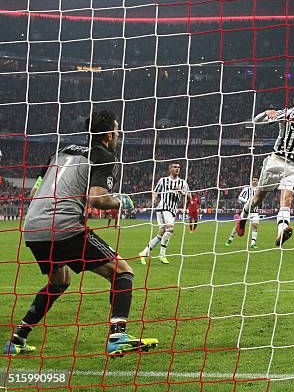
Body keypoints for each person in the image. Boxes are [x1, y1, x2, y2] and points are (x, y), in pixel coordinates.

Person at [4, 110, 158, 357]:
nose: (117, 134)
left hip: (32, 226)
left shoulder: (60, 151)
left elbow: (34, 192)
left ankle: (17, 339)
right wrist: (121, 202)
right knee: (122, 272)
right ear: (109, 134)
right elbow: (97, 198)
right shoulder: (103, 155)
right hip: (63, 226)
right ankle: (118, 336)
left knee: (59, 281)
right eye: (116, 130)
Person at [234, 90, 294, 246]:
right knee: (258, 199)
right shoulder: (287, 114)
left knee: (287, 199)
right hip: (277, 161)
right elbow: (256, 121)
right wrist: (265, 113)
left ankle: (282, 231)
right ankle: (243, 218)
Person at [139, 163, 190, 264]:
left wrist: (181, 192)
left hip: (172, 209)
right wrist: (153, 202)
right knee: (170, 229)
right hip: (163, 207)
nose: (177, 169)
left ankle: (144, 253)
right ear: (170, 169)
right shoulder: (163, 180)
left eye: (179, 167)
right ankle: (162, 255)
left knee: (162, 232)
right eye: (175, 167)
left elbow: (190, 197)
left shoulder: (183, 183)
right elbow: (155, 192)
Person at [226, 177, 260, 248]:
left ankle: (253, 243)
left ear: (258, 182)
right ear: (251, 181)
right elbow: (240, 197)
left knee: (255, 226)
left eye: (256, 180)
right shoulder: (247, 188)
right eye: (253, 180)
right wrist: (248, 201)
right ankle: (230, 238)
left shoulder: (259, 189)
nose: (255, 181)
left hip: (255, 212)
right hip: (246, 211)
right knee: (239, 225)